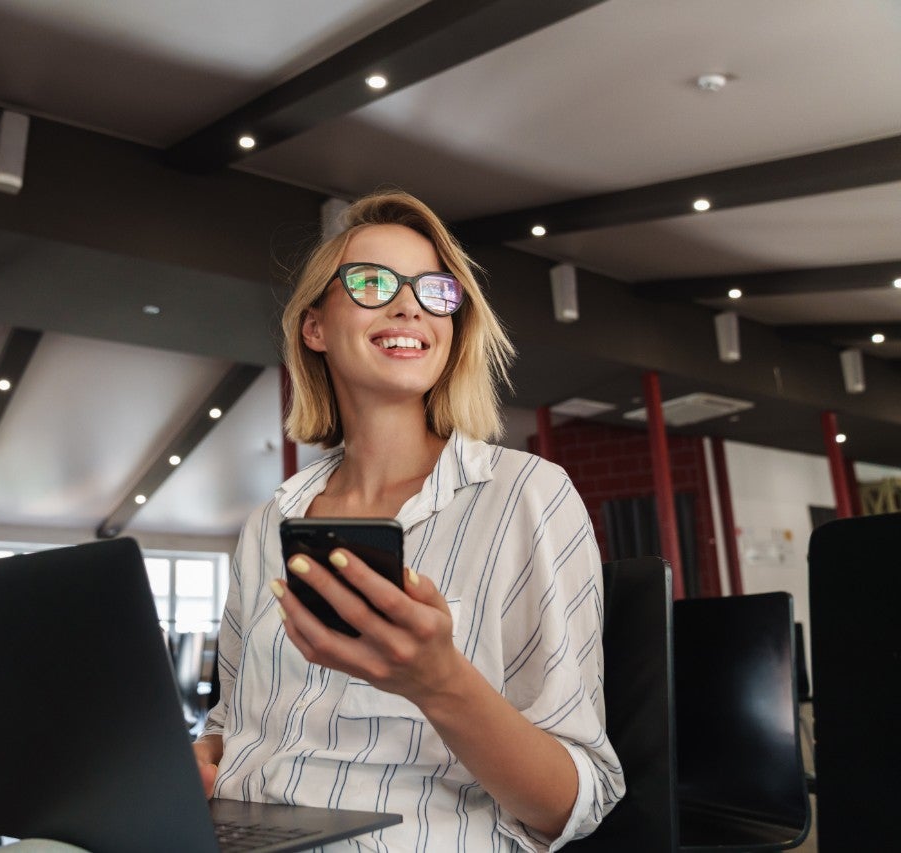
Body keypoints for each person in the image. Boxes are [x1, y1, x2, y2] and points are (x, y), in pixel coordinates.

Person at [191, 190, 624, 851]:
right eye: (371, 282)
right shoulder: (269, 522)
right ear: (314, 327)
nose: (409, 305)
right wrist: (201, 756)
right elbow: (230, 723)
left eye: (435, 290)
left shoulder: (527, 495)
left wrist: (440, 682)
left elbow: (572, 801)